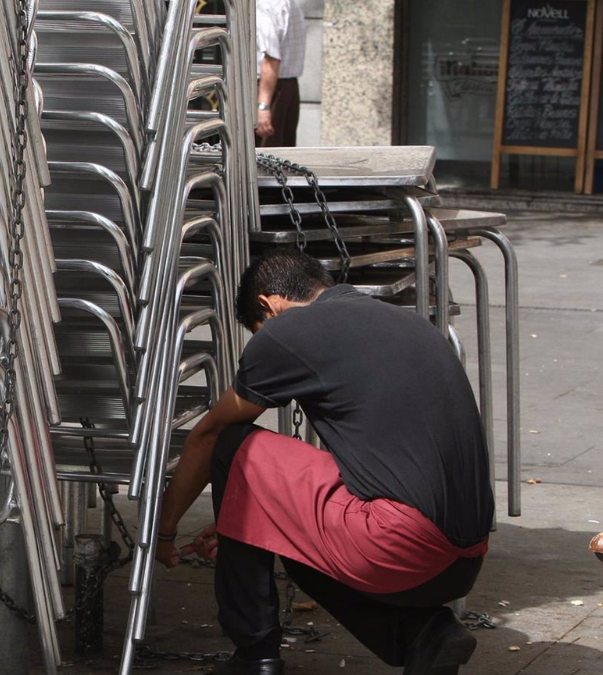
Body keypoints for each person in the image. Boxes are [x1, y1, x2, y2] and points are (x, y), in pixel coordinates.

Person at [156, 250, 494, 675]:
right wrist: (244, 516)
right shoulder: (405, 321)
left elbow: (208, 436)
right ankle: (422, 634)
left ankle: (254, 656)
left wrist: (164, 532)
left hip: (400, 549)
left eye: (258, 330)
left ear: (269, 304)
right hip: (465, 559)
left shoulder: (288, 330)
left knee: (233, 443)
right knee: (287, 529)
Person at [255, 0, 306, 147]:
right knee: (282, 154)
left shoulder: (265, 5)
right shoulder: (287, 3)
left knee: (264, 157)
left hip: (269, 89)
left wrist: (263, 106)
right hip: (286, 86)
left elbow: (271, 58)